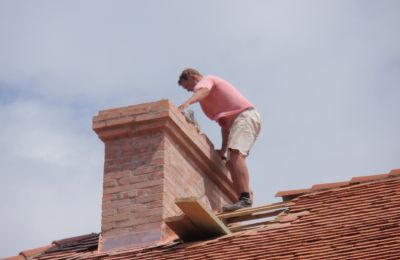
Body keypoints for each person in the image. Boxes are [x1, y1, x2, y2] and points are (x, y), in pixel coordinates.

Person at [177, 68, 261, 211]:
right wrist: (222, 150)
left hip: (245, 117)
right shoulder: (207, 101)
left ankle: (245, 198)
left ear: (192, 77)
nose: (190, 91)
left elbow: (203, 90)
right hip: (238, 122)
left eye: (188, 87)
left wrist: (187, 103)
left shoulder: (206, 81)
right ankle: (244, 195)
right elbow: (225, 126)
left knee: (235, 154)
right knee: (230, 162)